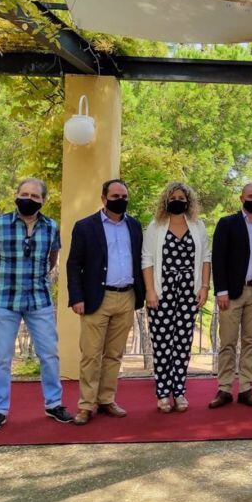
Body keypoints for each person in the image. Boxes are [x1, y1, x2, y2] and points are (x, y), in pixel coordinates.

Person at [0, 178, 72, 432]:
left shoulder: (51, 227)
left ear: (43, 200)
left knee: (49, 355)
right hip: (4, 300)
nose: (28, 199)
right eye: (24, 194)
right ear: (16, 195)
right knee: (0, 358)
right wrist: (3, 278)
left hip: (38, 300)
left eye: (34, 196)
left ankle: (54, 404)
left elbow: (51, 260)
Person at [66, 179, 145, 425]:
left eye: (124, 195)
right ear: (103, 198)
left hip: (127, 297)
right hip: (95, 298)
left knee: (114, 355)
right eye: (115, 195)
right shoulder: (85, 226)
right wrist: (76, 297)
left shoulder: (134, 225)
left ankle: (106, 399)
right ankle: (86, 405)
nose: (120, 199)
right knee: (91, 354)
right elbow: (73, 264)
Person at [141, 182, 211, 414]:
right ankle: (162, 394)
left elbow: (205, 259)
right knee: (162, 344)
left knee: (182, 343)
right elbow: (147, 259)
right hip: (162, 292)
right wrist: (150, 290)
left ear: (188, 201)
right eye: (173, 197)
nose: (178, 200)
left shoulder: (198, 226)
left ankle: (179, 391)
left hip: (188, 292)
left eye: (182, 197)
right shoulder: (156, 226)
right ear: (166, 201)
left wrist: (204, 287)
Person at [209, 183, 252, 409]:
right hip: (231, 293)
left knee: (250, 342)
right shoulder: (227, 223)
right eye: (251, 196)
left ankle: (247, 387)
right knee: (227, 342)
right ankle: (225, 388)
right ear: (241, 198)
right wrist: (221, 291)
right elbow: (218, 259)